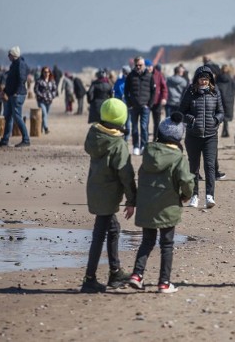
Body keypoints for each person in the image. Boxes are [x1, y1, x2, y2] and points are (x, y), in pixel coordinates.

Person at [126, 112, 194, 294]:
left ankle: (136, 275)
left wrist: (134, 200)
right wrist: (186, 196)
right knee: (167, 244)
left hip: (147, 205)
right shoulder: (179, 158)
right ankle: (164, 282)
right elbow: (187, 181)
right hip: (168, 206)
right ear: (179, 137)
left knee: (147, 242)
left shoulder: (148, 153)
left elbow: (140, 175)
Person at [80, 98, 137, 293]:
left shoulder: (94, 134)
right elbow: (125, 173)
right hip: (108, 194)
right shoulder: (117, 144)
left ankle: (115, 272)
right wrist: (132, 200)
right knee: (99, 234)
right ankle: (89, 278)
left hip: (95, 189)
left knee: (113, 229)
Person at [178, 65, 224, 209]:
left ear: (209, 80)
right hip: (193, 136)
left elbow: (221, 112)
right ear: (196, 79)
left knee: (210, 166)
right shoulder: (190, 92)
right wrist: (191, 119)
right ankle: (194, 196)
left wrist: (216, 120)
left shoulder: (215, 92)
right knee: (194, 168)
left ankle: (210, 196)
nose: (203, 82)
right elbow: (181, 112)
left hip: (211, 136)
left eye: (206, 79)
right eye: (201, 79)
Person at [0, 46, 30, 148]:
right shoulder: (14, 64)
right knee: (8, 116)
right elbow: (10, 81)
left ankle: (26, 139)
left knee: (17, 117)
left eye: (9, 54)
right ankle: (5, 140)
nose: (8, 56)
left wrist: (16, 92)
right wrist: (4, 91)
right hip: (11, 94)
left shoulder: (20, 64)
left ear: (13, 55)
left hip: (17, 95)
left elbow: (21, 80)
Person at [124, 57, 155, 156]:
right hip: (134, 106)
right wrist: (129, 104)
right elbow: (126, 91)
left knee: (144, 126)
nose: (138, 67)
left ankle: (144, 146)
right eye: (136, 65)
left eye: (140, 65)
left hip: (145, 106)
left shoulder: (150, 76)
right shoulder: (130, 76)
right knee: (134, 128)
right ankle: (136, 146)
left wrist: (149, 105)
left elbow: (154, 92)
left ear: (144, 65)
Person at [215, 64, 235, 138]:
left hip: (220, 98)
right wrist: (230, 93)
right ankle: (225, 129)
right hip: (229, 99)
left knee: (219, 114)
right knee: (227, 115)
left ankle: (222, 130)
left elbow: (214, 87)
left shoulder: (218, 77)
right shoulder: (230, 78)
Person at [34, 66, 57, 134]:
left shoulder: (52, 81)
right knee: (44, 114)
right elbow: (36, 89)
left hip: (49, 101)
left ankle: (40, 128)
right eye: (45, 72)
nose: (46, 73)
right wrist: (41, 95)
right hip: (41, 101)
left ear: (50, 73)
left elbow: (55, 90)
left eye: (48, 72)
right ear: (42, 72)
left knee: (45, 115)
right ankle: (46, 128)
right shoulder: (39, 80)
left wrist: (52, 96)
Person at [148, 62, 167, 141]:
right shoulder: (144, 75)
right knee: (145, 122)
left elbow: (164, 88)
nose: (148, 68)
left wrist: (164, 98)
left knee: (157, 122)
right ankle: (145, 139)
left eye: (149, 66)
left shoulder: (158, 75)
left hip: (157, 101)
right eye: (147, 66)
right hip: (147, 102)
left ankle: (155, 138)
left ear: (152, 66)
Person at [113, 65, 131, 139]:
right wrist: (118, 98)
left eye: (127, 72)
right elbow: (115, 92)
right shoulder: (119, 81)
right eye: (124, 72)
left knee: (128, 122)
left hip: (129, 104)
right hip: (120, 105)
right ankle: (120, 137)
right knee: (120, 122)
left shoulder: (132, 81)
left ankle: (126, 138)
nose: (125, 74)